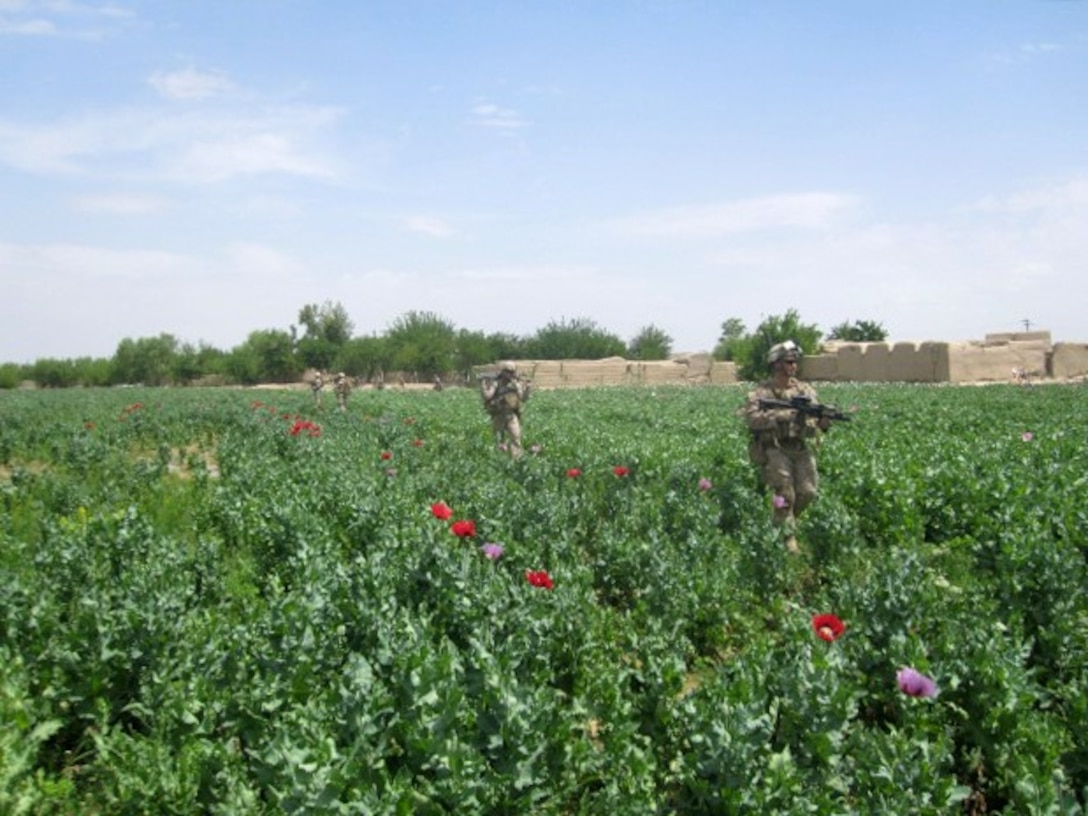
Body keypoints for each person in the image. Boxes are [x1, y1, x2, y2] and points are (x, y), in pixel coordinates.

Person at [743, 341, 832, 553]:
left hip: (801, 447)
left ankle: (783, 523)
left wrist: (825, 419)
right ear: (776, 364)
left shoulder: (804, 390)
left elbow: (819, 422)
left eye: (795, 362)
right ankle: (788, 538)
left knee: (808, 491)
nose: (794, 366)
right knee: (785, 493)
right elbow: (752, 419)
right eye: (789, 361)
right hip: (775, 448)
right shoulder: (762, 392)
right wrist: (781, 416)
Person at [480, 360, 531, 457]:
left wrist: (527, 389)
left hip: (511, 415)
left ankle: (516, 459)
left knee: (516, 437)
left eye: (512, 371)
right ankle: (500, 460)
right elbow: (488, 396)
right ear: (503, 372)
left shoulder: (516, 384)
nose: (510, 374)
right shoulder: (496, 383)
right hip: (498, 414)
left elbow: (523, 398)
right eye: (508, 371)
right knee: (499, 439)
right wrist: (483, 386)